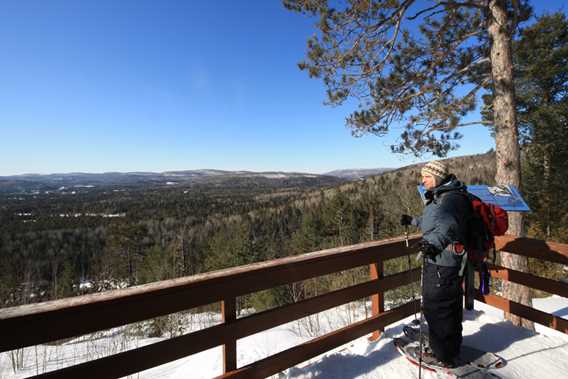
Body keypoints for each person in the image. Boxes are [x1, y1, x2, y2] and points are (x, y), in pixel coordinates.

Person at [400, 160, 471, 367]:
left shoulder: (451, 199)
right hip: (439, 261)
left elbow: (449, 227)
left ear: (438, 177)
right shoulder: (441, 196)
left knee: (437, 307)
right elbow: (434, 224)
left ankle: (443, 355)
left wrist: (432, 245)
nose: (423, 181)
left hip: (444, 263)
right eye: (423, 177)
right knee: (446, 306)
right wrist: (413, 221)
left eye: (427, 177)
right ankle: (449, 348)